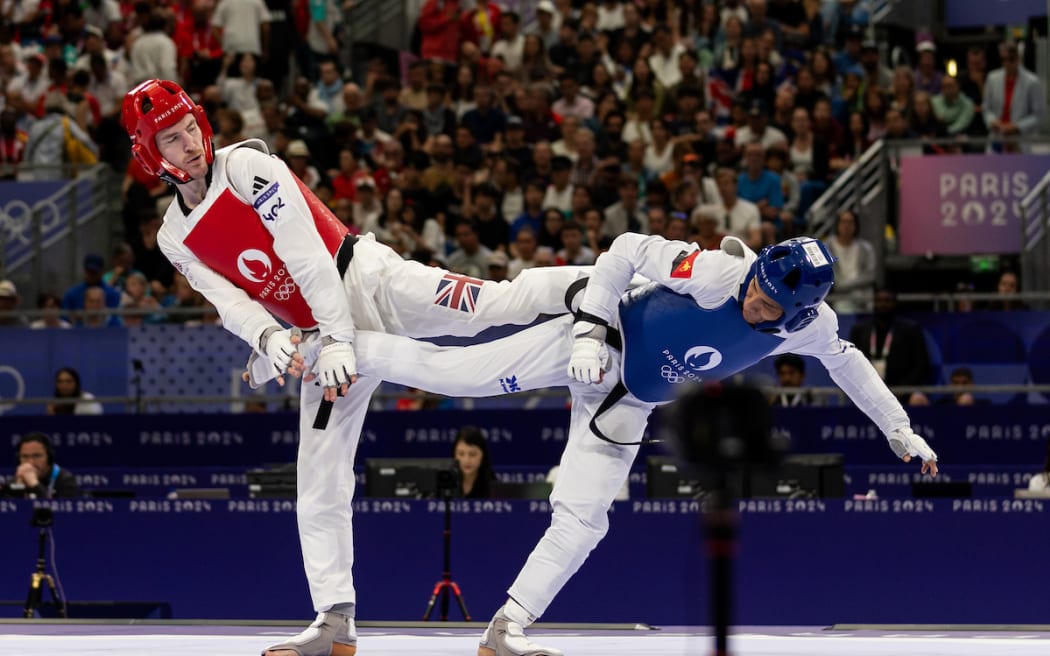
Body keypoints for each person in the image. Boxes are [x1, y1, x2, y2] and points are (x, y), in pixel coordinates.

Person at [120, 79, 588, 656]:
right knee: (318, 476)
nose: (190, 143)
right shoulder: (173, 235)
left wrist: (340, 336)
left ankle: (594, 287)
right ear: (150, 153)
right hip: (320, 337)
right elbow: (231, 302)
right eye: (172, 137)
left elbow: (304, 252)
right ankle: (334, 620)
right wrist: (267, 338)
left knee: (490, 306)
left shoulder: (246, 166)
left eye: (190, 126)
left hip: (368, 281)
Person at [352, 234, 939, 656]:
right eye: (756, 287)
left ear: (801, 312)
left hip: (630, 403)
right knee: (462, 378)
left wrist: (899, 429)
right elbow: (625, 249)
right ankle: (348, 347)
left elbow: (849, 364)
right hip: (600, 343)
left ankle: (506, 628)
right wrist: (587, 334)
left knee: (584, 521)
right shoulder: (713, 271)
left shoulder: (810, 326)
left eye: (768, 306)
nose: (753, 302)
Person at [847, 288, 932, 405]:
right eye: (879, 300)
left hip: (902, 390)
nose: (883, 304)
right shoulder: (860, 330)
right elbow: (851, 363)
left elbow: (921, 364)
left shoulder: (910, 329)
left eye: (887, 301)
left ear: (895, 303)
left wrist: (902, 389)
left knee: (918, 399)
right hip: (868, 389)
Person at [2, 433, 80, 499]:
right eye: (25, 456)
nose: (30, 462)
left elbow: (61, 514)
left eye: (37, 456)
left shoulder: (66, 481)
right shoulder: (14, 482)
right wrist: (18, 487)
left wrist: (35, 485)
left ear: (49, 457)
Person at [453, 426, 496, 499]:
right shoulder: (444, 487)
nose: (466, 460)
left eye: (472, 454)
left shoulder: (494, 489)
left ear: (483, 456)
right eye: (461, 454)